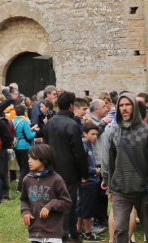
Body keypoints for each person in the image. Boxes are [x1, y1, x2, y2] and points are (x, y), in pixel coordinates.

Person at [99, 92, 148, 243]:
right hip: (121, 189)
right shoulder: (115, 131)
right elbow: (111, 160)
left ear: (134, 107)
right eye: (121, 105)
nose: (124, 108)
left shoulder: (147, 131)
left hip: (142, 189)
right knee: (120, 229)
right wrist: (109, 185)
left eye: (128, 104)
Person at [41, 92, 91, 241]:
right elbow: (78, 152)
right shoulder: (72, 124)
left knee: (59, 202)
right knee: (68, 203)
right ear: (71, 106)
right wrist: (85, 173)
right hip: (69, 171)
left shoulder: (50, 123)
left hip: (52, 169)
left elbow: (45, 146)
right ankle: (63, 235)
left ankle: (72, 233)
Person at [21, 143, 72, 243]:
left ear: (43, 159)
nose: (29, 161)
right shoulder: (27, 179)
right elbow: (24, 200)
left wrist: (50, 206)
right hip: (35, 232)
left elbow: (67, 202)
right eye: (29, 158)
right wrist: (25, 212)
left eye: (33, 158)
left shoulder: (56, 179)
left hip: (53, 232)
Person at [77, 123, 103, 242]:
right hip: (88, 181)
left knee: (82, 207)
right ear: (84, 134)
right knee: (87, 208)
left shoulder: (89, 145)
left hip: (92, 181)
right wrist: (94, 171)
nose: (95, 137)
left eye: (96, 134)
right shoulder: (83, 146)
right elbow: (82, 165)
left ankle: (78, 230)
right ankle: (88, 233)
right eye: (92, 134)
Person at [13, 104, 36, 186]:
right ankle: (21, 187)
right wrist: (35, 131)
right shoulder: (25, 122)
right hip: (25, 146)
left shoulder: (13, 121)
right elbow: (30, 136)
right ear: (25, 112)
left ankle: (22, 186)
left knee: (21, 167)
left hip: (16, 146)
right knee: (25, 169)